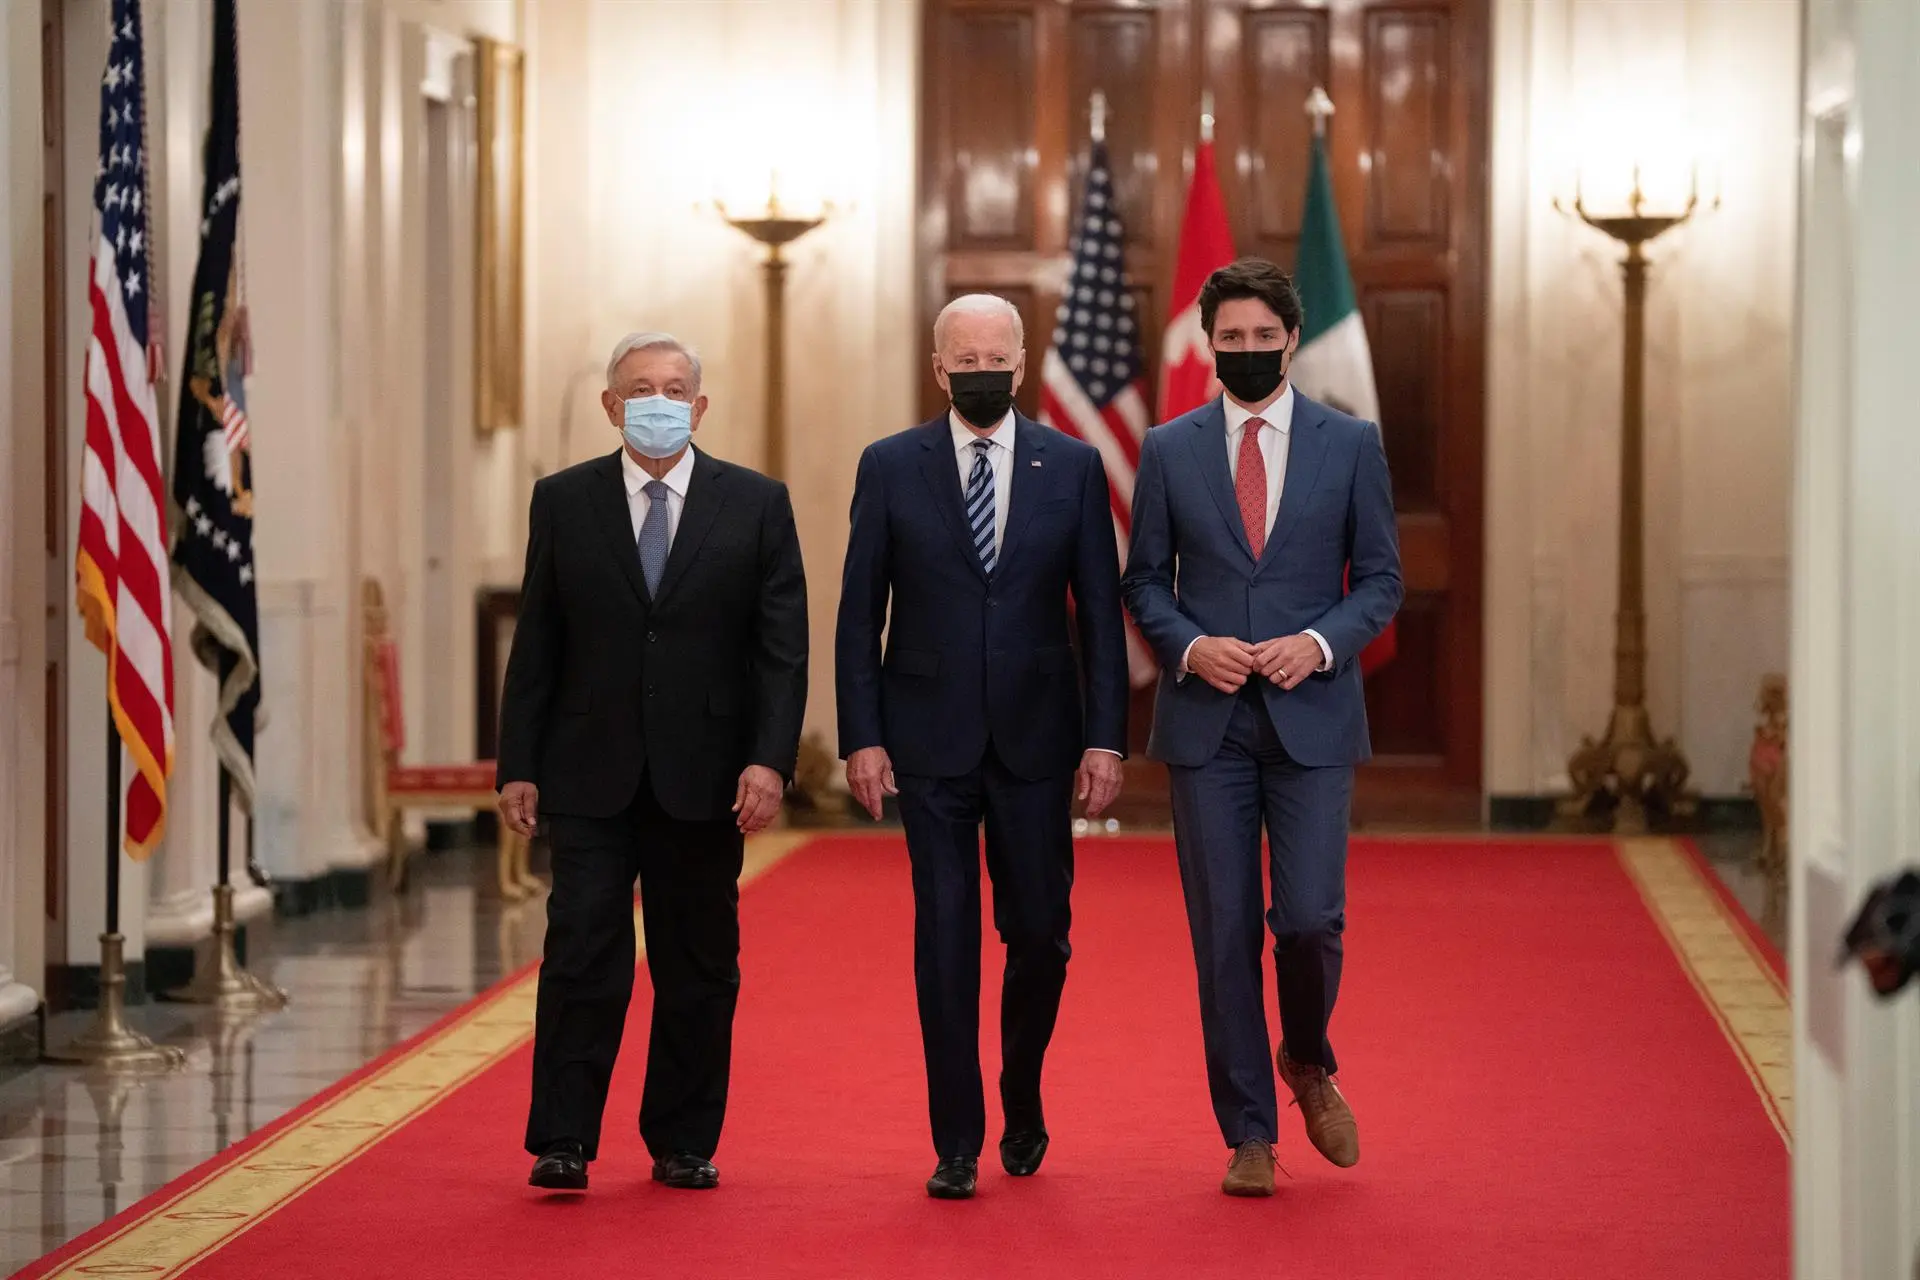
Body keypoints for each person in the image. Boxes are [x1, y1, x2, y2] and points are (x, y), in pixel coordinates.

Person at [496, 331, 808, 1193]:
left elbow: (781, 650)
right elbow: (538, 640)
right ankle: (563, 1138)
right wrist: (518, 762)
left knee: (697, 963)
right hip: (587, 770)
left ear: (700, 408)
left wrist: (769, 761)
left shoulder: (756, 503)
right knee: (581, 952)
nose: (658, 402)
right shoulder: (564, 500)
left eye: (674, 389)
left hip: (706, 777)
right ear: (611, 405)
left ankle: (683, 1140)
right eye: (640, 389)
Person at [835, 294, 1129, 1199]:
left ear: (1022, 362)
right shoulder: (891, 465)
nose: (981, 371)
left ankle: (1021, 1088)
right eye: (964, 359)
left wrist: (1107, 741)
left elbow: (1101, 618)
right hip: (927, 739)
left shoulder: (1073, 465)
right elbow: (859, 614)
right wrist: (861, 737)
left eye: (996, 357)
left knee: (1040, 934)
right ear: (938, 368)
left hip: (1039, 740)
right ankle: (956, 1140)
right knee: (946, 939)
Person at [1121, 259, 1402, 1197]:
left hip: (1313, 719)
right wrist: (1189, 646)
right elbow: (1142, 582)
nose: (1247, 349)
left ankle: (1308, 1058)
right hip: (1207, 727)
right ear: (1209, 344)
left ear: (1291, 338)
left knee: (1311, 919)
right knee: (1225, 931)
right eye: (1230, 337)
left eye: (1262, 336)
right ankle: (1248, 1131)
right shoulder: (1168, 448)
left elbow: (1382, 581)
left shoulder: (1349, 443)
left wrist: (1318, 644)